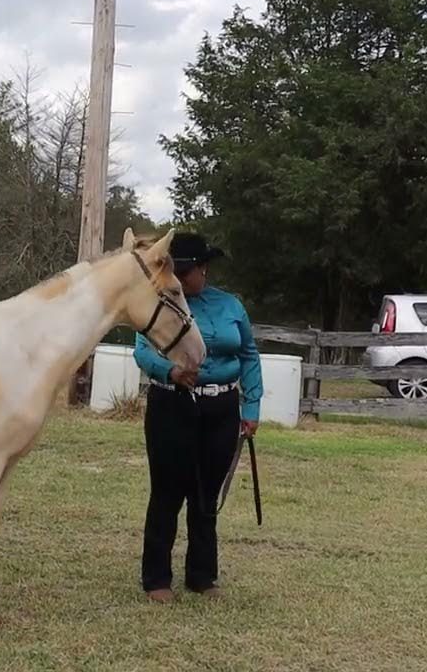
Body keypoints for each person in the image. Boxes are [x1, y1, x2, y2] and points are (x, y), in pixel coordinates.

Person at [132, 231, 263, 602]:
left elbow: (249, 355)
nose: (179, 278)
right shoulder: (162, 302)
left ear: (202, 269)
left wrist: (250, 406)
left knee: (206, 495)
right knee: (167, 492)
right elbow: (142, 349)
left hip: (220, 408)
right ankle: (156, 578)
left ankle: (202, 575)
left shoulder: (231, 306)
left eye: (185, 272)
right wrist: (169, 371)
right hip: (173, 404)